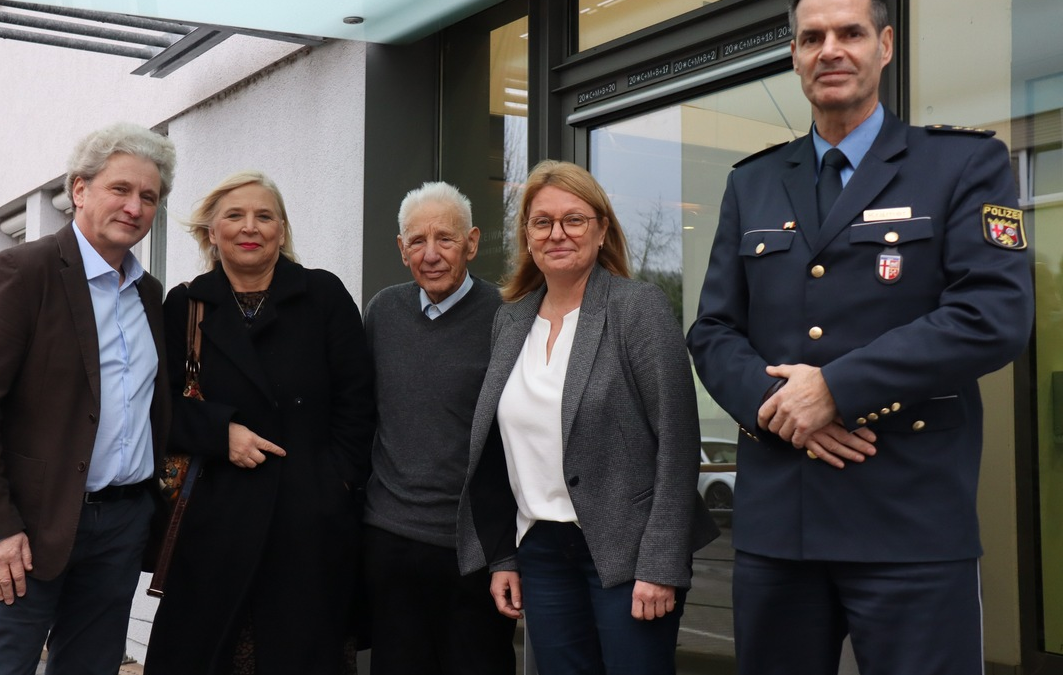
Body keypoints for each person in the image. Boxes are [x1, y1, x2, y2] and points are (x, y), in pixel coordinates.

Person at [685, 0, 1034, 672]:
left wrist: (837, 390)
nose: (830, 50)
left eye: (850, 33)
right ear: (793, 54)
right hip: (780, 527)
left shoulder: (963, 164)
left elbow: (992, 314)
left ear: (886, 45)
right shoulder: (752, 182)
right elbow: (714, 329)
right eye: (811, 37)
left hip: (911, 527)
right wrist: (780, 406)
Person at [457, 160, 720, 675]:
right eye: (542, 222)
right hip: (541, 549)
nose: (558, 233)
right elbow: (497, 448)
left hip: (628, 551)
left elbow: (679, 442)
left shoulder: (636, 308)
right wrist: (505, 555)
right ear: (527, 236)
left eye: (574, 220)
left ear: (602, 230)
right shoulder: (510, 321)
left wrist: (662, 564)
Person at [0, 122, 175, 675]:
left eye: (149, 196)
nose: (135, 206)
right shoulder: (23, 272)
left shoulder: (149, 293)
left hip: (119, 526)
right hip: (25, 527)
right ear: (80, 189)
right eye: (121, 189)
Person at [144, 170, 374, 675]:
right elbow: (157, 407)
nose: (251, 227)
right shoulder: (186, 306)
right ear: (211, 232)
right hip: (214, 526)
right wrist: (218, 432)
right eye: (235, 216)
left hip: (307, 526)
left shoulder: (323, 296)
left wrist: (333, 484)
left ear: (282, 230)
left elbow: (358, 403)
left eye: (264, 216)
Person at [362, 182, 514, 675]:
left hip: (472, 546)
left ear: (471, 243)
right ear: (400, 248)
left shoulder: (507, 318)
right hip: (390, 541)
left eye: (445, 239)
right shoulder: (382, 312)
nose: (430, 254)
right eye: (416, 241)